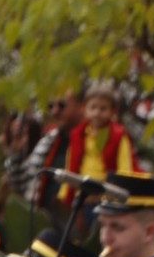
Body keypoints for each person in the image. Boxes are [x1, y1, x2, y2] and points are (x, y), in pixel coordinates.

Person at [55, 80, 135, 210]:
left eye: (103, 109)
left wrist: (117, 196)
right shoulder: (78, 134)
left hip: (105, 197)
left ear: (112, 111)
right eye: (93, 108)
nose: (97, 113)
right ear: (84, 109)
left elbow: (125, 169)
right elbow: (70, 164)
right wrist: (64, 194)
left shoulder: (118, 135)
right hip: (80, 195)